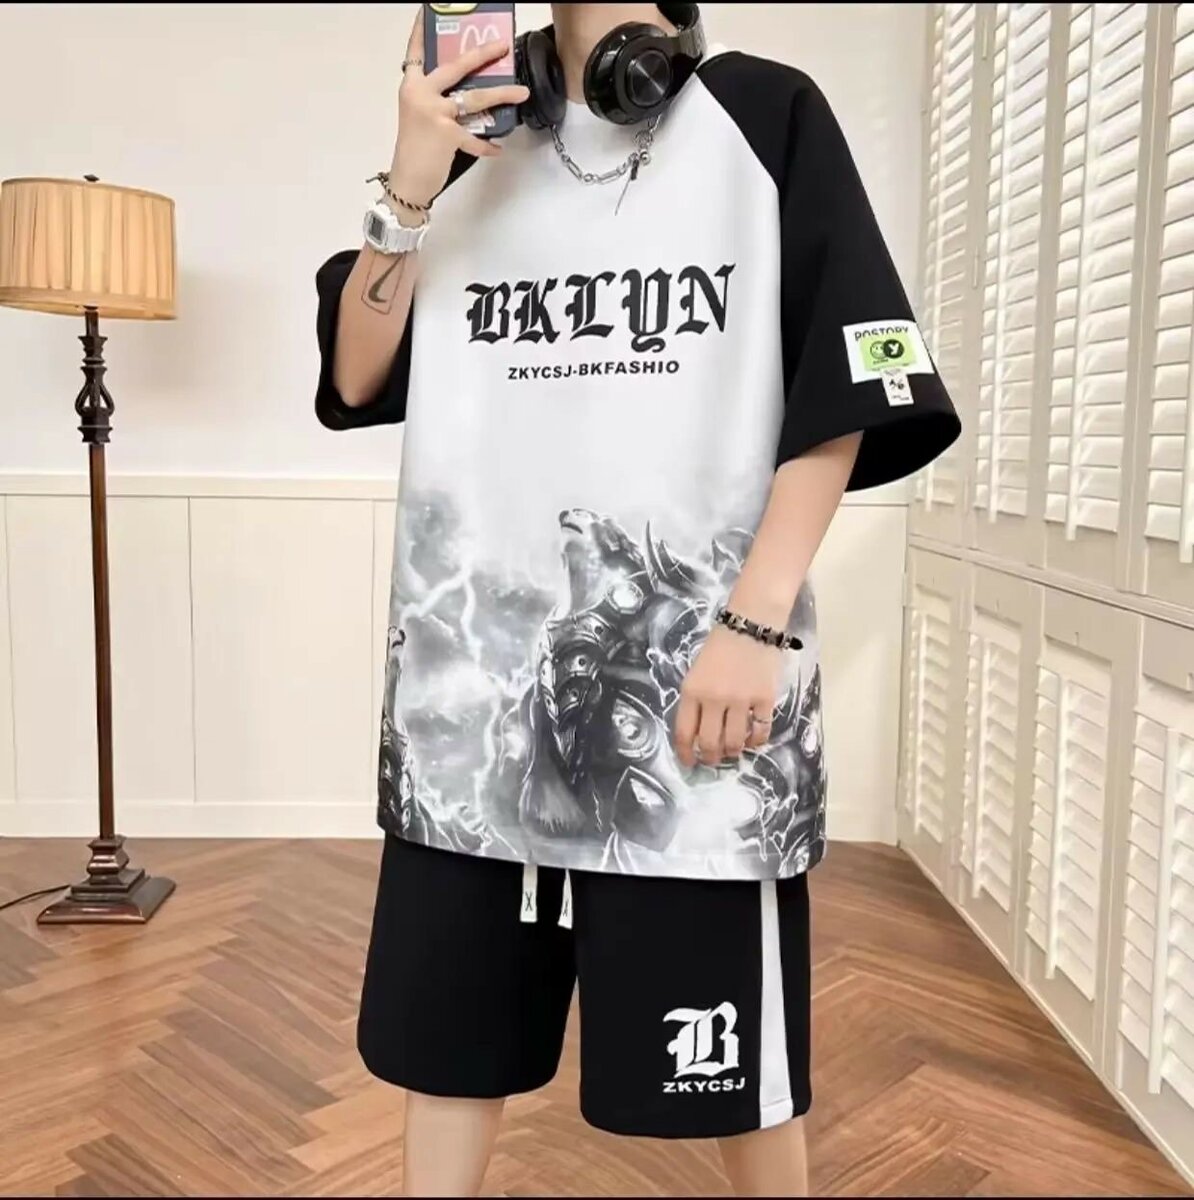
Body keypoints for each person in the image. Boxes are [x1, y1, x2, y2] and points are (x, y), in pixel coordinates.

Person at [314, 4, 959, 1195]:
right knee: (445, 1059)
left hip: (695, 709)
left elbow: (848, 388)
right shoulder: (471, 141)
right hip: (476, 735)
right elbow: (357, 374)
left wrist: (755, 621)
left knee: (744, 1082)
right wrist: (411, 177)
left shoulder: (764, 117)